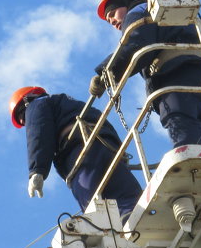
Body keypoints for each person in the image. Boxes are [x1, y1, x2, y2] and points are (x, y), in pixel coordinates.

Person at [91, 0, 201, 148]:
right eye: (109, 21)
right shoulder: (167, 14)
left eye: (112, 13)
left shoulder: (138, 13)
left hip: (175, 74)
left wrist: (106, 73)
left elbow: (135, 46)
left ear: (125, 2)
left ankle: (193, 162)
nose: (112, 21)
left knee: (180, 118)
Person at [9, 85, 142, 223]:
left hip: (82, 151)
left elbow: (39, 132)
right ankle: (134, 217)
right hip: (107, 146)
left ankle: (116, 228)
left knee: (93, 205)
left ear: (26, 102)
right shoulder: (70, 105)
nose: (25, 122)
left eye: (22, 116)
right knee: (128, 198)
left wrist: (37, 170)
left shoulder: (37, 104)